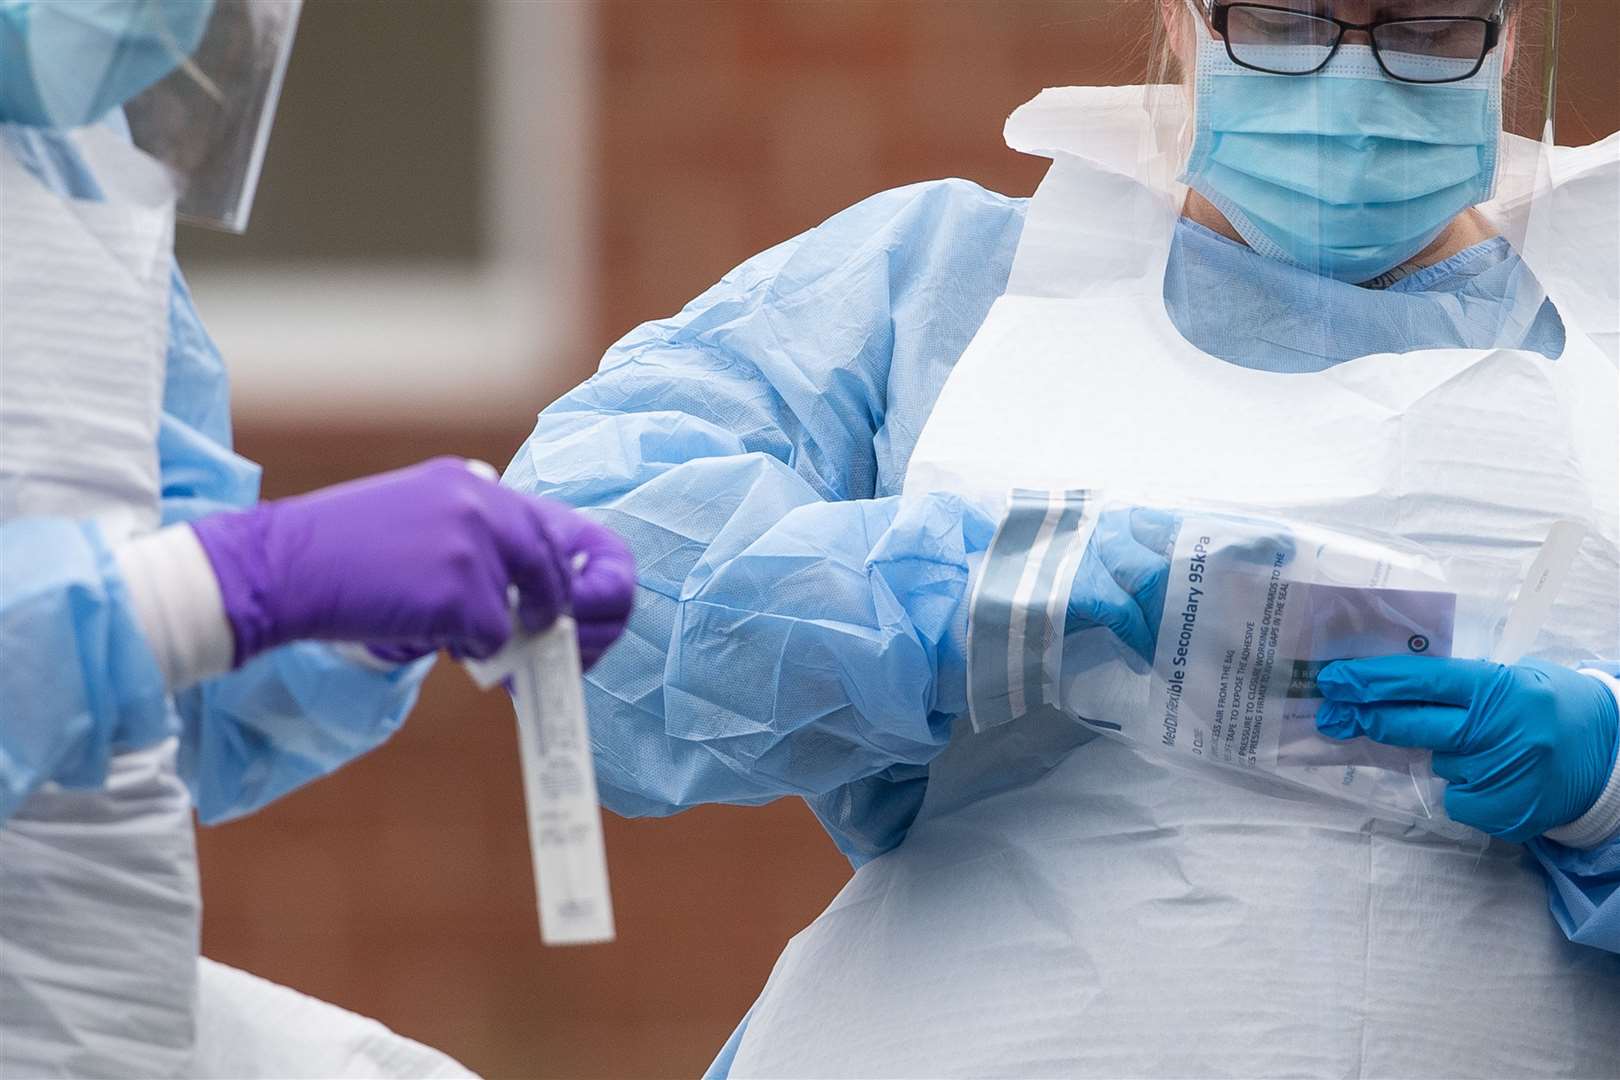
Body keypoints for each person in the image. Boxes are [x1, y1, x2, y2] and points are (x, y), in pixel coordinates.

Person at [507, 0, 1618, 1075]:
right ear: (1183, 19)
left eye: (1424, 28)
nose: (1351, 71)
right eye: (1283, 20)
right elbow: (571, 578)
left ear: (1511, 34)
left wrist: (1606, 774)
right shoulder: (949, 292)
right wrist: (982, 591)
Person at [0, 2, 634, 1076]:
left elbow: (141, 710)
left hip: (90, 992)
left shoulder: (81, 188)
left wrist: (348, 625)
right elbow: (156, 608)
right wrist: (235, 584)